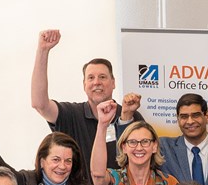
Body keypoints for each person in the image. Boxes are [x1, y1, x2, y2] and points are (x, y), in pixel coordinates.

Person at [28, 29, 143, 171]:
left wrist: (127, 118)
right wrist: (43, 50)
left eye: (102, 77)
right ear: (84, 85)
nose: (96, 82)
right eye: (91, 78)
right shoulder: (71, 115)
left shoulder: (130, 115)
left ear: (113, 83)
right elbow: (39, 104)